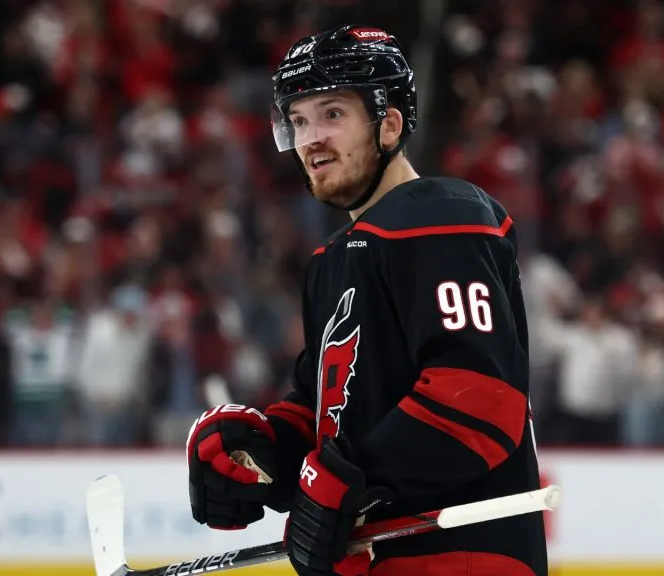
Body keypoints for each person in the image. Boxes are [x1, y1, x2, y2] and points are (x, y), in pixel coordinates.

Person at [186, 25, 547, 575]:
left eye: (333, 114)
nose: (311, 138)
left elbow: (479, 397)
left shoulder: (440, 216)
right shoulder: (333, 260)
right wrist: (259, 451)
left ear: (390, 124)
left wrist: (347, 480)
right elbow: (331, 416)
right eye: (299, 120)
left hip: (459, 561)